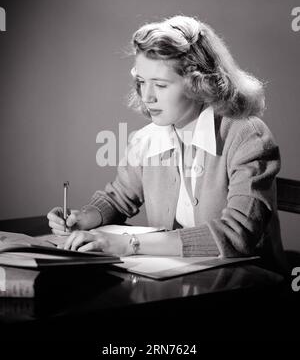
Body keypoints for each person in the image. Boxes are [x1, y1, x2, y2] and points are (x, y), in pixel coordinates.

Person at [47, 15, 286, 272]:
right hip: (179, 282)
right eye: (141, 82)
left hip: (249, 286)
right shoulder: (148, 138)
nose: (147, 96)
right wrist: (84, 218)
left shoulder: (246, 135)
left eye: (160, 84)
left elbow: (237, 235)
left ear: (199, 83)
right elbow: (118, 198)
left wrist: (131, 244)